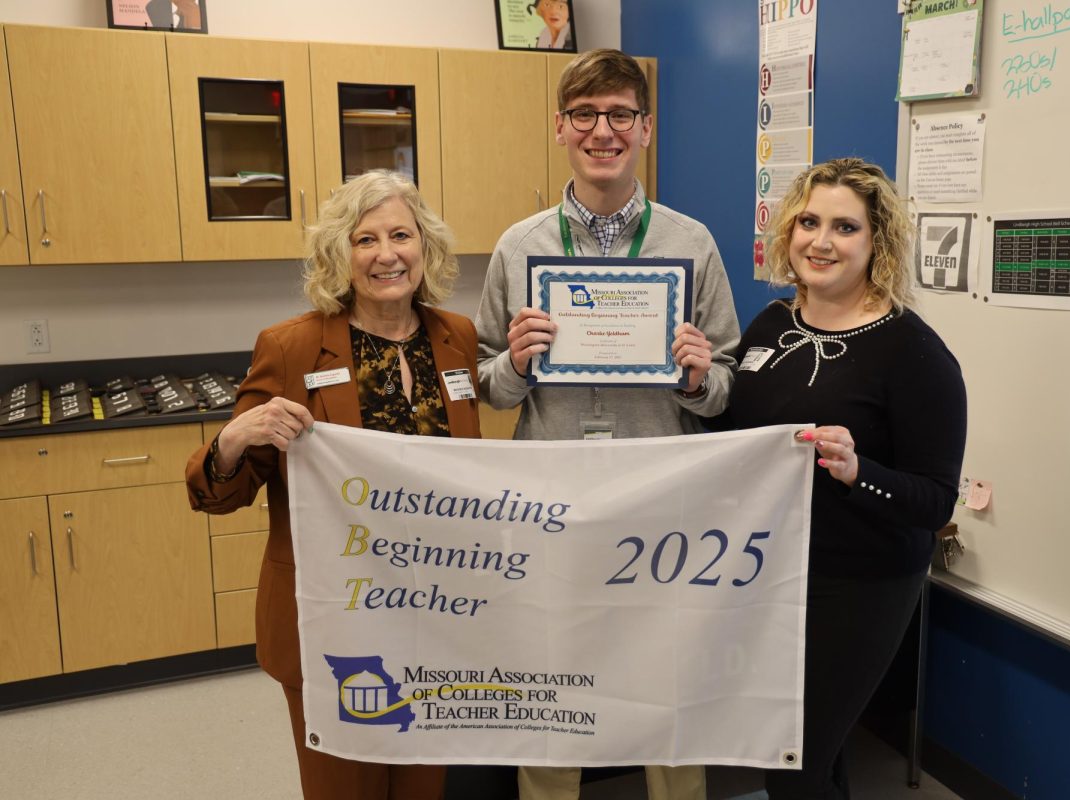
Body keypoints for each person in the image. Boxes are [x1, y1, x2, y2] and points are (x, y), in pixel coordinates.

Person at [475, 48, 739, 800]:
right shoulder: (519, 246)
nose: (603, 131)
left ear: (646, 128)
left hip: (661, 503)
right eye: (585, 115)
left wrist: (696, 376)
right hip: (552, 503)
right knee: (551, 684)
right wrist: (518, 366)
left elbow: (726, 388)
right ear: (561, 127)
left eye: (620, 114)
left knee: (665, 688)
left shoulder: (691, 245)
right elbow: (486, 387)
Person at [185, 170, 480, 800]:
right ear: (338, 256)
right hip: (333, 622)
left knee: (425, 785)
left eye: (401, 235)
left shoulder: (456, 339)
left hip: (435, 614)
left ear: (424, 248)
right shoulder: (292, 347)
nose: (386, 254)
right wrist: (238, 435)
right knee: (343, 788)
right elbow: (222, 491)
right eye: (364, 239)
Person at [714, 158, 967, 799]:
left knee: (791, 765)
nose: (820, 242)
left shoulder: (914, 354)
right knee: (813, 758)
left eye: (845, 227)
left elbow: (935, 499)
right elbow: (735, 436)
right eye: (808, 221)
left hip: (860, 582)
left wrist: (860, 473)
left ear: (876, 242)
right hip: (770, 571)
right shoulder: (772, 325)